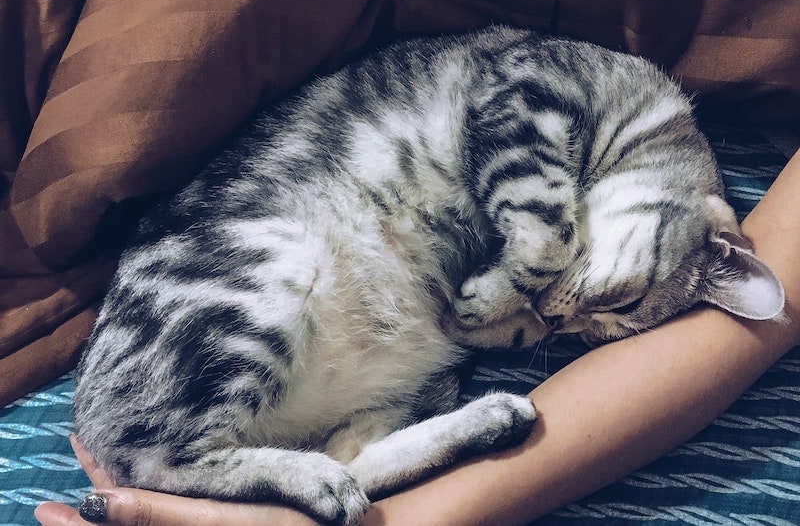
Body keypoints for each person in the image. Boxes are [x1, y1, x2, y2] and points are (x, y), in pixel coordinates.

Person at [34, 148, 800, 525]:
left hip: (382, 316)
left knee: (393, 389)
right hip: (297, 220)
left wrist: (398, 519)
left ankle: (359, 465)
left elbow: (755, 310)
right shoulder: (586, 124)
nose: (563, 319)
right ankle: (194, 461)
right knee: (280, 279)